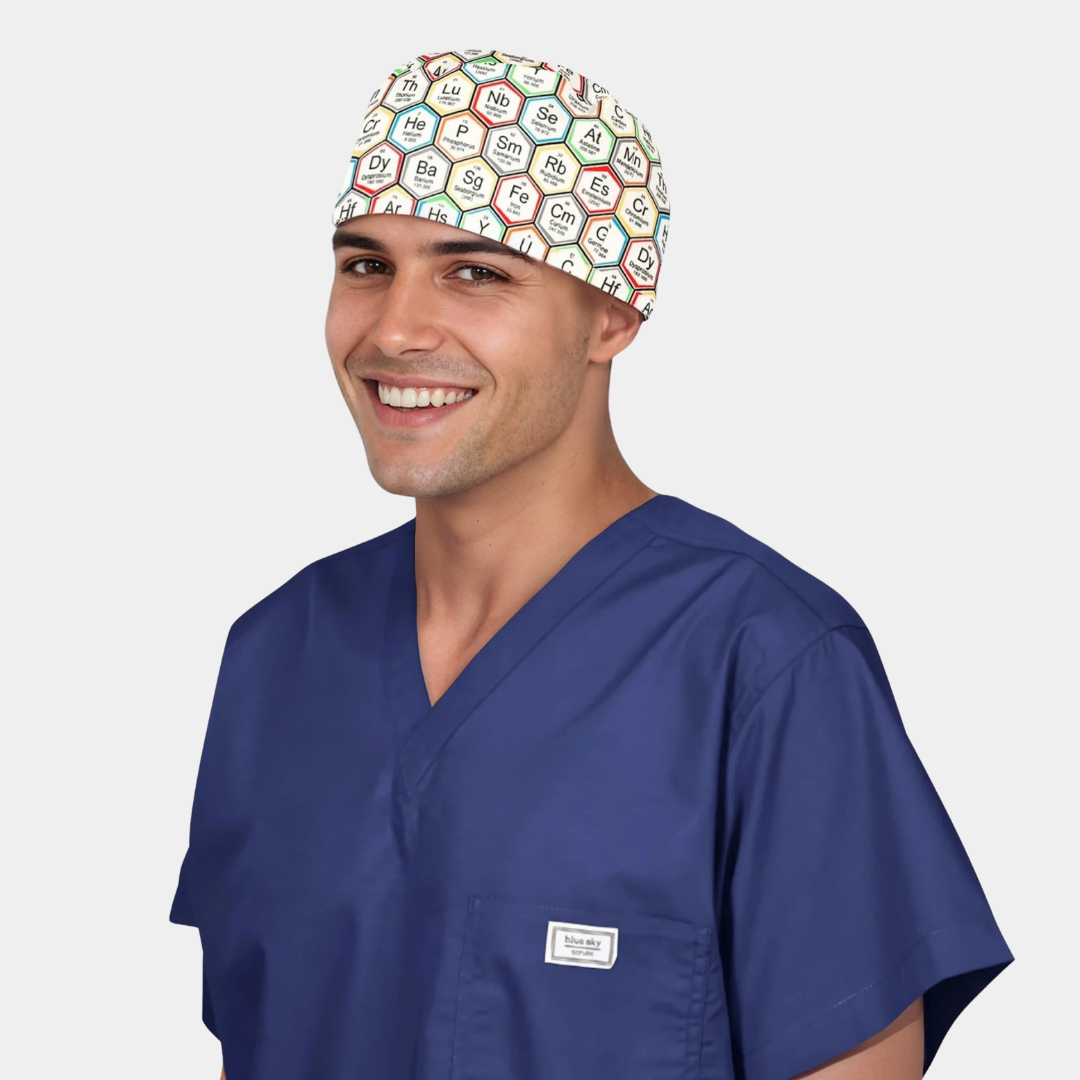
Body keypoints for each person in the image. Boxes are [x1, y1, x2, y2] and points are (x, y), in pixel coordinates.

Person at [171, 50, 1012, 1080]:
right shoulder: (278, 656)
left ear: (612, 314)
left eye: (476, 271)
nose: (394, 328)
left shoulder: (766, 663)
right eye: (365, 264)